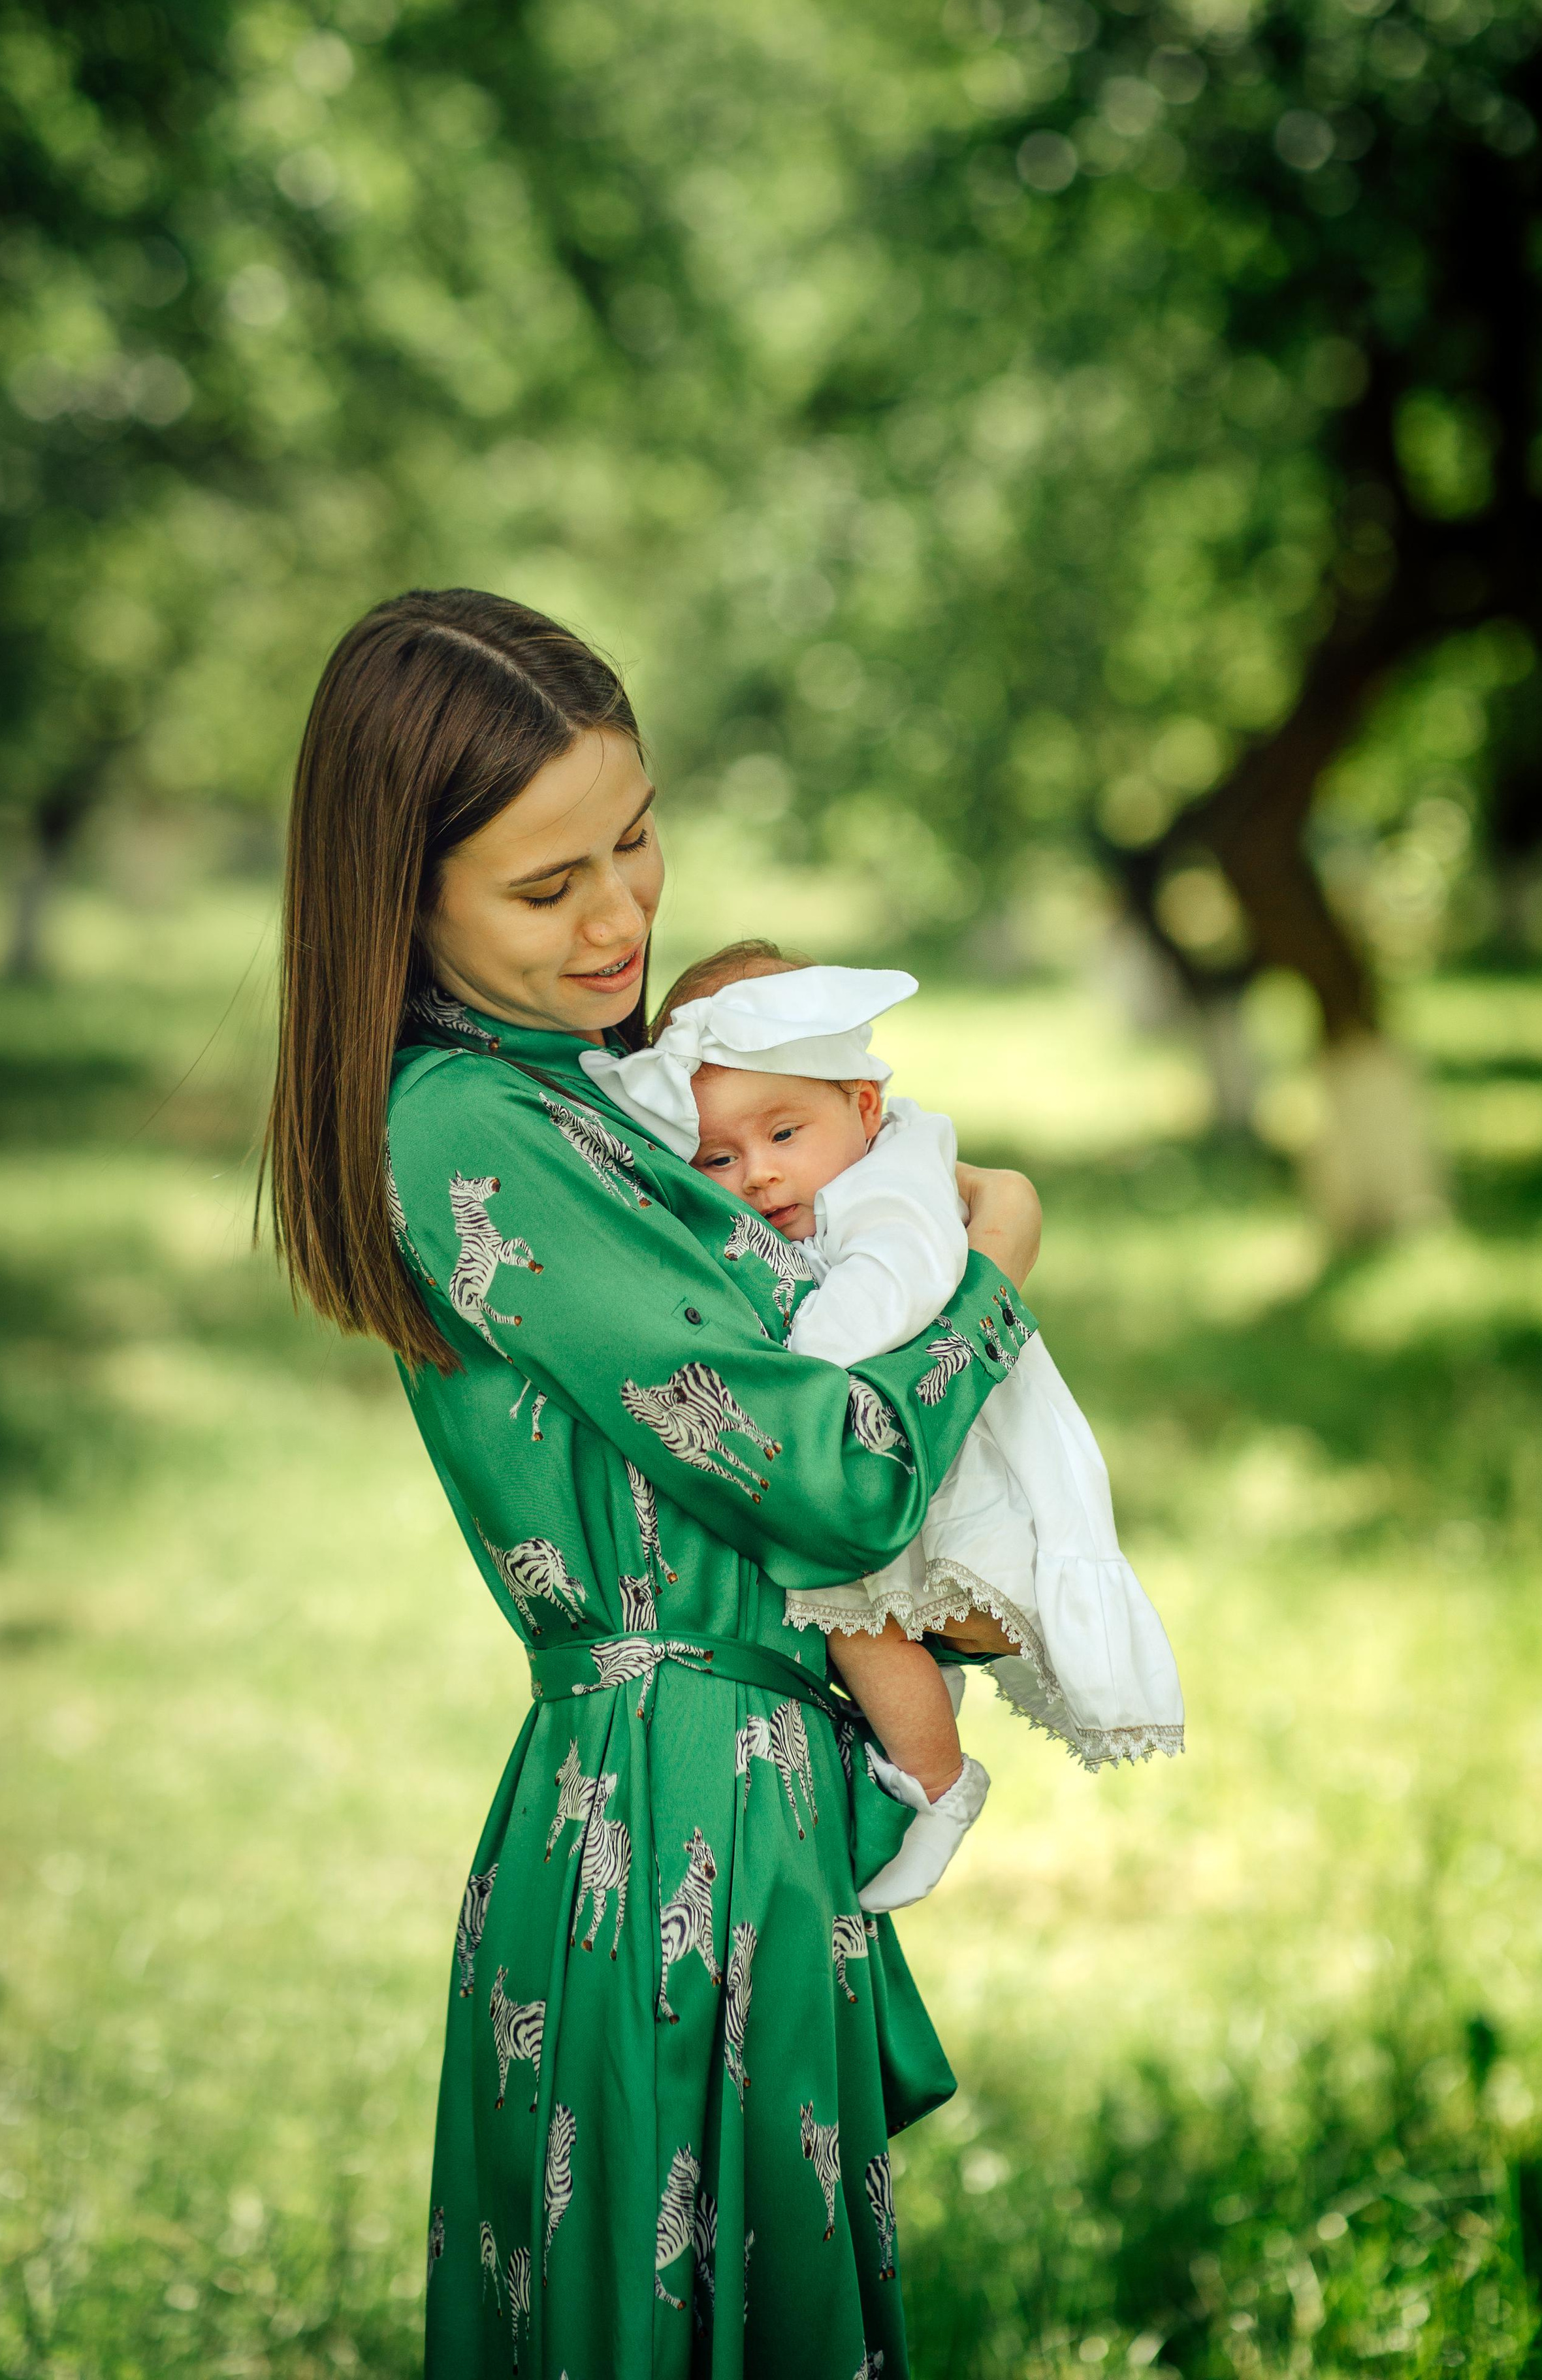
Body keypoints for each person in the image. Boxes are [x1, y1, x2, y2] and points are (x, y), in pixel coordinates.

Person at [263, 587, 1043, 2380]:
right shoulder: (469, 1129)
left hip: (742, 1785)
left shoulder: (612, 1090)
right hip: (665, 1807)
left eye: (634, 839)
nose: (621, 915)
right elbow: (823, 1477)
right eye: (548, 888)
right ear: (406, 895)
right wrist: (993, 1269)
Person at [585, 943, 1185, 1911]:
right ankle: (922, 1739)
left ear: (865, 1105)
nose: (760, 1177)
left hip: (938, 1473)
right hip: (907, 1458)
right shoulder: (850, 1169)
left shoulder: (895, 1183)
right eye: (719, 1159)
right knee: (865, 1621)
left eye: (786, 1133)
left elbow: (891, 1285)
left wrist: (795, 1382)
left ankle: (939, 1787)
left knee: (842, 1605)